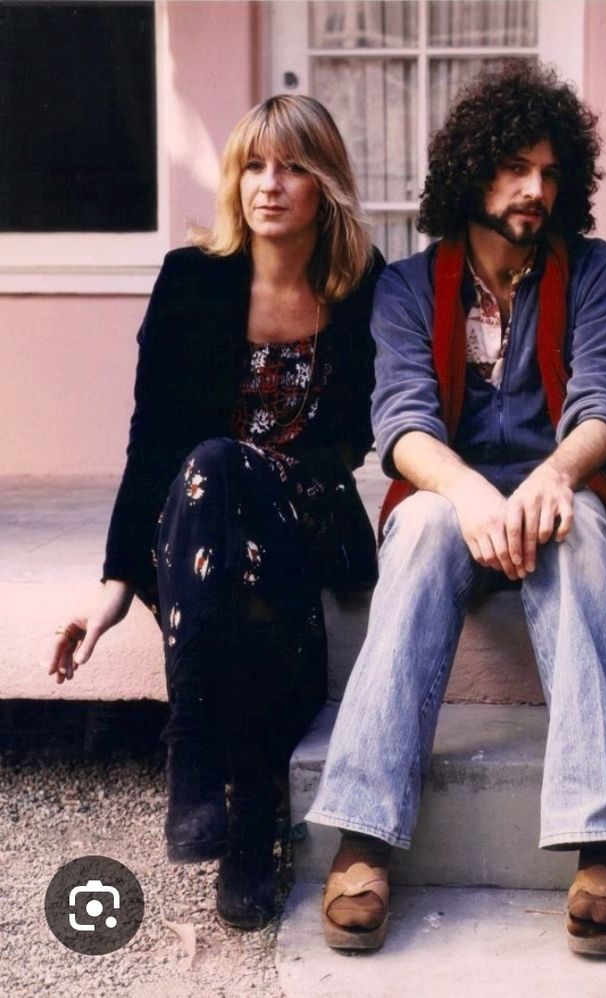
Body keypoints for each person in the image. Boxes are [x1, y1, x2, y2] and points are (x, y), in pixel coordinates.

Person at [305, 62, 606, 957]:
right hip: (448, 491)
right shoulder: (411, 286)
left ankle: (604, 841)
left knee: (575, 542)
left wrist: (552, 479)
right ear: (471, 171)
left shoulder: (596, 271)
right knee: (416, 529)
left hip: (560, 487)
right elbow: (403, 425)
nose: (534, 189)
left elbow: (603, 403)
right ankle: (363, 838)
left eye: (548, 171)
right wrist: (466, 493)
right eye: (513, 169)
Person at [48, 95, 385, 931]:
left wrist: (254, 471)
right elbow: (150, 438)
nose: (269, 186)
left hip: (301, 520)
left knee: (220, 466)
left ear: (326, 184)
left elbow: (350, 442)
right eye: (254, 166)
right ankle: (251, 818)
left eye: (293, 166)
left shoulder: (364, 288)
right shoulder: (192, 280)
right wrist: (116, 582)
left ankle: (194, 756)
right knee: (204, 473)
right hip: (201, 536)